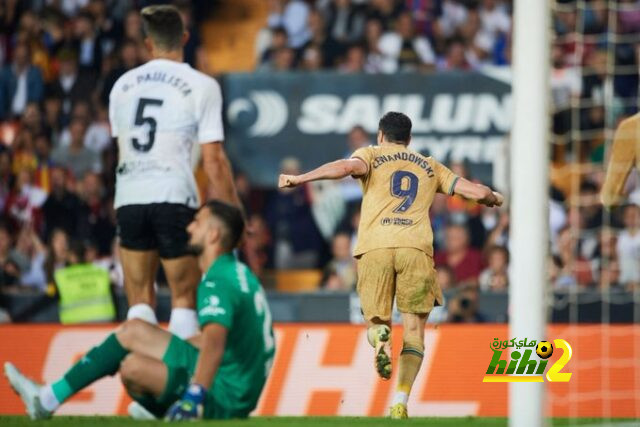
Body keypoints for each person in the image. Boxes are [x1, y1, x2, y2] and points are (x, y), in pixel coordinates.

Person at [278, 111, 503, 419]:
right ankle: (400, 401)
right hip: (416, 249)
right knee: (414, 332)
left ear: (380, 135)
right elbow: (475, 192)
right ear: (409, 140)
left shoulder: (370, 155)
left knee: (376, 321)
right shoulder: (429, 165)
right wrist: (493, 198)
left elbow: (343, 167)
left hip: (375, 248)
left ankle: (379, 336)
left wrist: (300, 178)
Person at [5, 200, 275, 421]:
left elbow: (214, 344)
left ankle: (178, 408)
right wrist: (163, 349)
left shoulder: (218, 281)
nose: (190, 227)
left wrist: (195, 395)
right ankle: (47, 399)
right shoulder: (237, 273)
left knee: (132, 370)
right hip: (237, 381)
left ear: (214, 235)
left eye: (198, 222)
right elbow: (217, 341)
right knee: (134, 332)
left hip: (227, 395)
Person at [108, 5, 239, 341]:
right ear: (184, 37)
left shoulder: (121, 86)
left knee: (138, 301)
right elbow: (214, 161)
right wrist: (232, 215)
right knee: (184, 300)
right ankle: (179, 386)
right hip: (173, 195)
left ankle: (144, 390)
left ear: (146, 43)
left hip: (130, 196)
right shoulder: (202, 85)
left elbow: (119, 149)